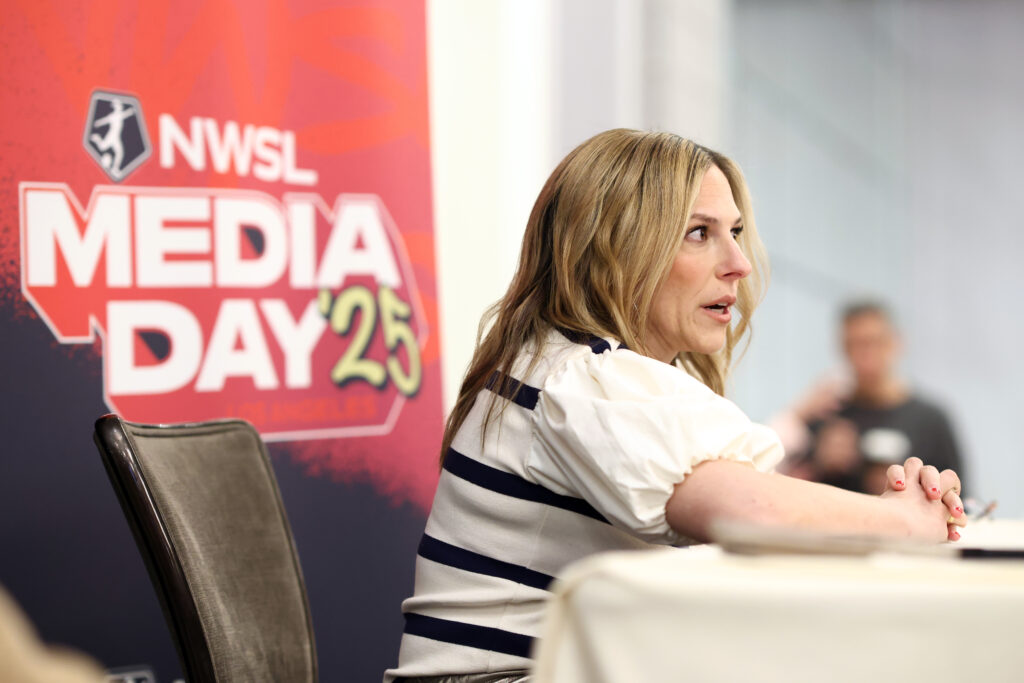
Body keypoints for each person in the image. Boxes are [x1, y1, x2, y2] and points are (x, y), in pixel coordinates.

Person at [384, 130, 964, 683]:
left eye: (734, 231)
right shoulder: (576, 379)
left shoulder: (567, 367)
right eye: (698, 233)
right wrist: (901, 521)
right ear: (615, 250)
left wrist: (880, 516)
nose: (738, 262)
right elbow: (752, 512)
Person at [776, 302, 966, 495]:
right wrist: (820, 464)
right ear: (842, 348)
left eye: (874, 342)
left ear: (897, 342)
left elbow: (959, 494)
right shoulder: (827, 412)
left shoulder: (931, 419)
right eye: (854, 344)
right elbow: (788, 489)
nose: (865, 355)